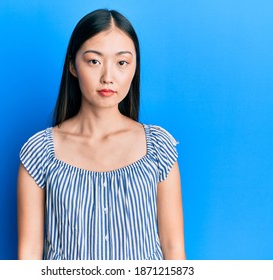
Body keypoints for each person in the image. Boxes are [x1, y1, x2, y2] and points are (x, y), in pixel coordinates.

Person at [17, 9, 185, 260]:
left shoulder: (158, 148)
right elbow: (29, 252)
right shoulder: (39, 152)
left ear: (134, 67)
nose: (108, 77)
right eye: (94, 61)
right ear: (73, 65)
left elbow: (173, 249)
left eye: (122, 63)